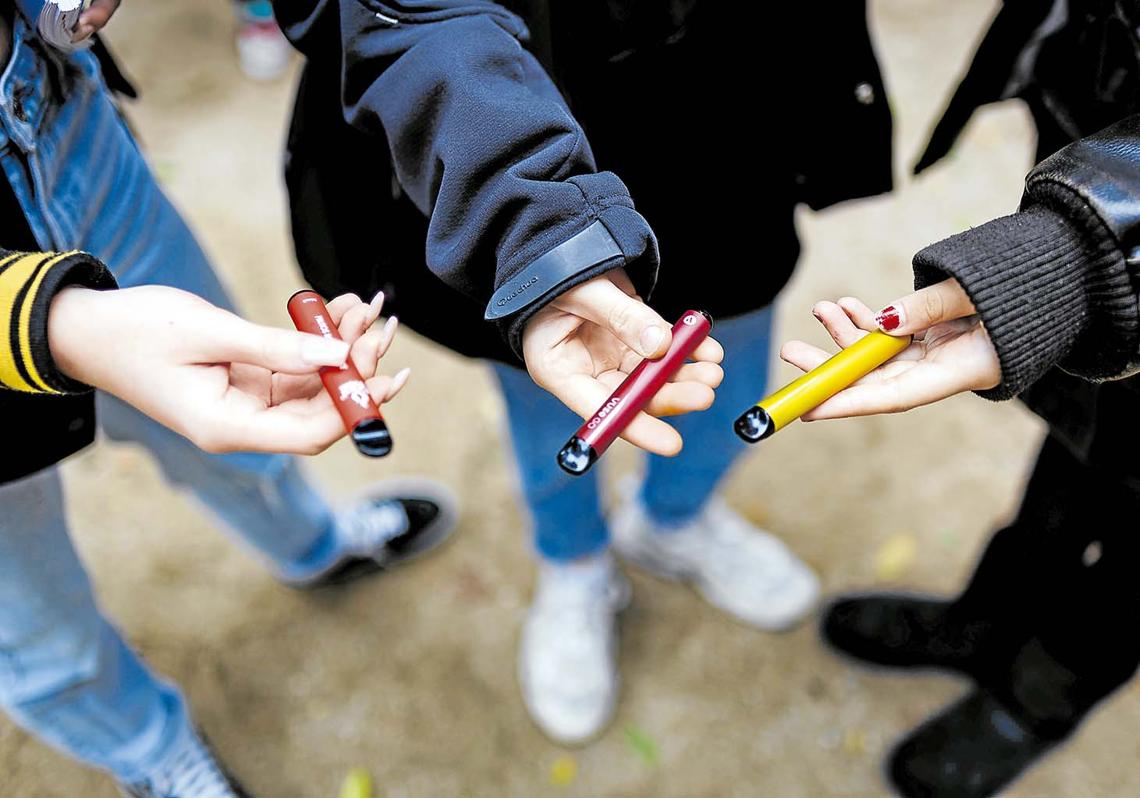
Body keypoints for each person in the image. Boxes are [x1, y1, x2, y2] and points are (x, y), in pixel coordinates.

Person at [271, 2, 898, 742]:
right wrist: (529, 229)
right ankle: (573, 563)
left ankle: (673, 522)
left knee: (731, 365)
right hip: (508, 94)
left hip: (722, 101)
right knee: (554, 392)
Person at [0, 4, 456, 796]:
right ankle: (150, 753)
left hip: (60, 122)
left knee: (242, 409)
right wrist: (58, 323)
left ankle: (311, 545)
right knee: (28, 616)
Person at [782, 3, 1140, 794]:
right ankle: (991, 621)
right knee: (1085, 443)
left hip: (1117, 209)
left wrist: (1087, 248)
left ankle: (1035, 701)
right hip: (1105, 113)